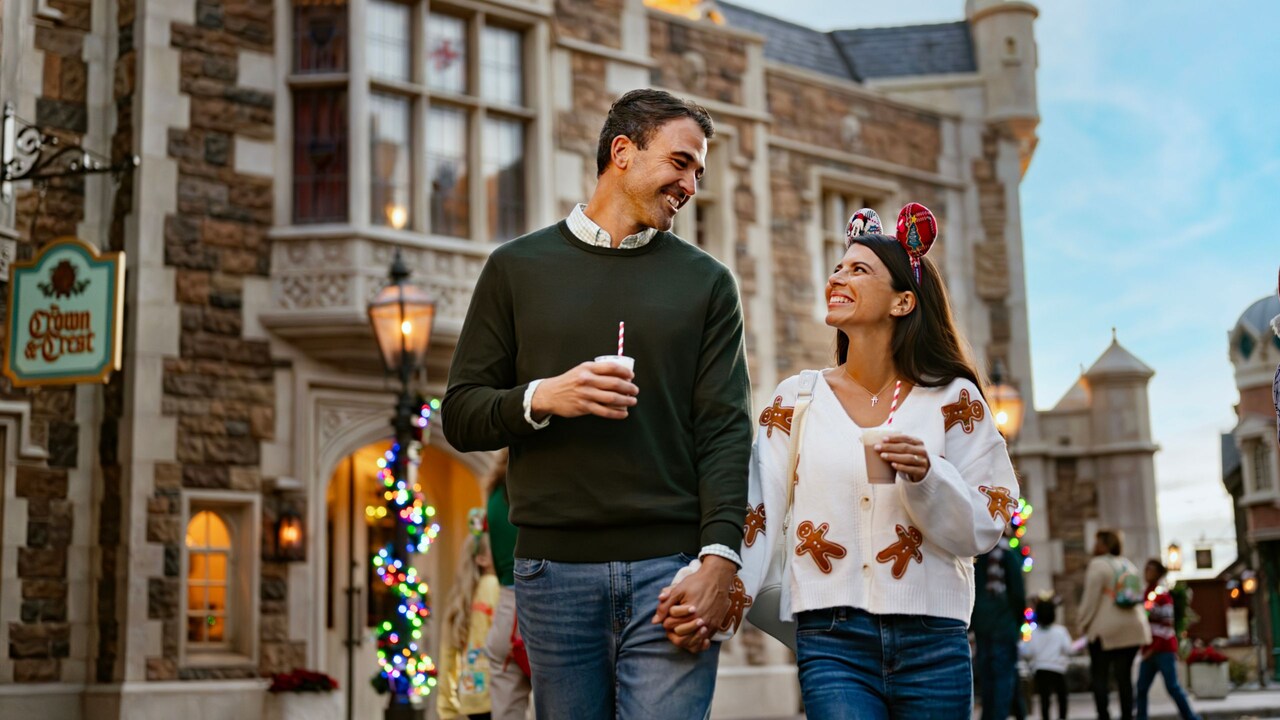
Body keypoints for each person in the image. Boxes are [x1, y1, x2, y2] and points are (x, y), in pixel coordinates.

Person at [442, 88, 753, 718]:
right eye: (680, 162)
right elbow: (461, 413)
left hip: (671, 574)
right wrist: (546, 396)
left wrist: (720, 557)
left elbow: (725, 430)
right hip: (551, 575)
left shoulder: (708, 283)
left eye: (698, 170)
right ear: (622, 152)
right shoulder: (515, 268)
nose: (691, 183)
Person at [665, 204, 1018, 717]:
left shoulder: (953, 398)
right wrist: (711, 585)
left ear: (902, 301)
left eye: (859, 269)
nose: (838, 277)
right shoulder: (797, 400)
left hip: (935, 638)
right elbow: (756, 511)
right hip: (832, 640)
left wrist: (929, 476)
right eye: (838, 266)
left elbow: (988, 521)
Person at [1077, 530, 1151, 720]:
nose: (1093, 546)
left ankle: (1104, 715)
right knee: (1124, 677)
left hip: (1106, 629)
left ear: (1104, 545)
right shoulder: (1129, 565)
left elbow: (1090, 599)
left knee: (1100, 676)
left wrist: (1082, 623)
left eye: (1097, 542)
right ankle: (1128, 715)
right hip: (1133, 628)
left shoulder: (1098, 565)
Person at [481, 450, 532, 720]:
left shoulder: (493, 496)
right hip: (538, 608)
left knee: (506, 712)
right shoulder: (532, 491)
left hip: (505, 612)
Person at [437, 513, 500, 720]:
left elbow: (448, 656)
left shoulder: (459, 600)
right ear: (482, 559)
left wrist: (447, 707)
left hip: (471, 695)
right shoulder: (495, 588)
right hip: (497, 692)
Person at [973, 527, 1028, 720]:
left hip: (982, 625)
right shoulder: (1009, 556)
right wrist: (1017, 624)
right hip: (1003, 625)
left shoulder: (979, 558)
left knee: (987, 678)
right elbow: (1018, 595)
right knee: (1003, 679)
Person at [1135, 560, 1200, 720]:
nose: (1147, 572)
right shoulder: (1145, 595)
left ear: (1158, 573)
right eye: (1146, 569)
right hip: (1148, 650)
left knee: (1173, 687)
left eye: (1150, 569)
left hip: (1162, 650)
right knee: (1141, 688)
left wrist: (1154, 648)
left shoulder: (1162, 596)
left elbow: (1167, 625)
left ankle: (1191, 718)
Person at [1021, 599, 1073, 720]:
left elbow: (1027, 652)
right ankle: (1062, 716)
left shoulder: (1033, 633)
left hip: (1041, 669)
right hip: (1058, 669)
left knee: (1045, 699)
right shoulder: (1060, 631)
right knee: (1062, 697)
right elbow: (1068, 649)